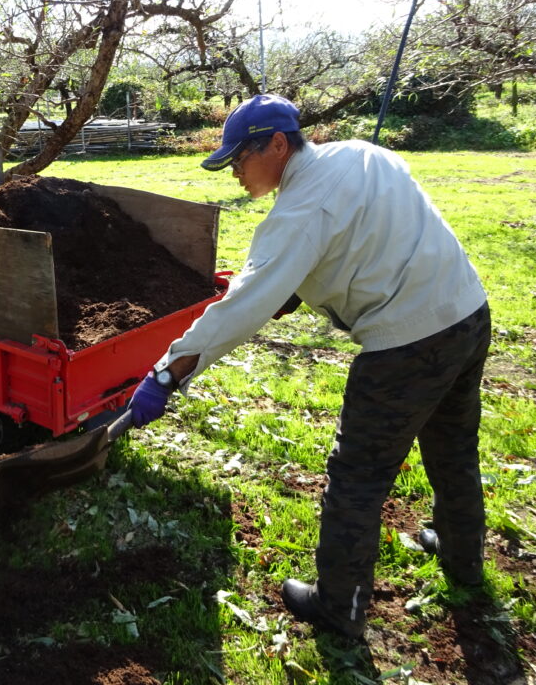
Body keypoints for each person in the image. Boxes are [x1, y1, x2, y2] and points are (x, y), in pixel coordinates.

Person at [128, 94, 490, 638]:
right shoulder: (363, 153)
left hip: (406, 344)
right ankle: (463, 558)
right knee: (454, 446)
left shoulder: (297, 214)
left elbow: (240, 310)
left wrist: (167, 372)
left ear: (277, 144)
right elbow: (366, 237)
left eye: (238, 160)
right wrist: (295, 284)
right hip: (467, 312)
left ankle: (337, 607)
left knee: (358, 477)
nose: (235, 174)